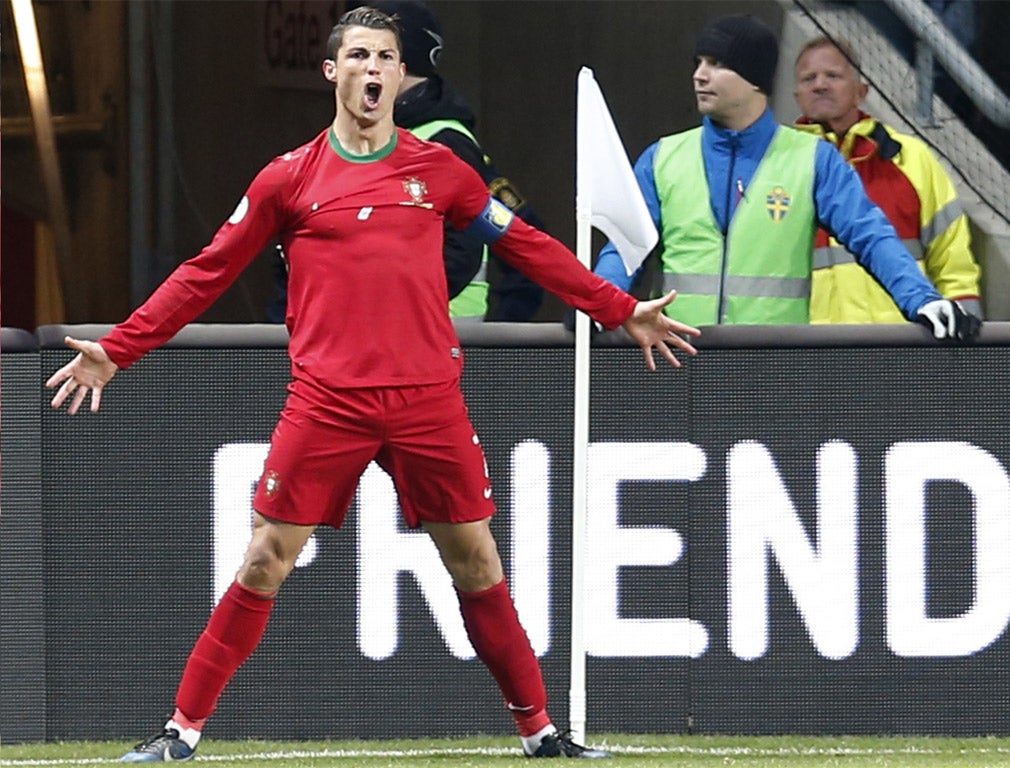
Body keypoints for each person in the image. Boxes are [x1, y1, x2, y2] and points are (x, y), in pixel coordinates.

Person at [45, 6, 700, 762]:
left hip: (427, 401)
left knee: (477, 562)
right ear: (333, 72)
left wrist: (619, 311)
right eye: (358, 55)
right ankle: (179, 733)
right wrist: (119, 350)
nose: (373, 69)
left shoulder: (440, 172)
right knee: (264, 558)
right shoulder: (288, 179)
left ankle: (542, 734)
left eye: (386, 56)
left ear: (399, 74)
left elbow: (523, 245)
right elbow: (206, 271)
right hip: (328, 403)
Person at [592, 14, 980, 342]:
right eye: (698, 63)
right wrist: (599, 304)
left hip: (775, 367)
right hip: (677, 360)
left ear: (754, 79)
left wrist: (922, 299)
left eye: (716, 64)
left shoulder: (813, 160)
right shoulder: (662, 157)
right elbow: (626, 249)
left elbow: (871, 235)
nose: (700, 76)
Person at [268, 0, 544, 323]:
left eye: (377, 52)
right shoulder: (361, 140)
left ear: (399, 62)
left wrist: (507, 347)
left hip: (434, 336)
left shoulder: (445, 143)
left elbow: (519, 242)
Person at [793, 35, 983, 323]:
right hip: (809, 352)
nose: (820, 85)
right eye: (809, 79)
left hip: (902, 344)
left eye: (833, 75)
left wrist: (968, 345)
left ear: (862, 91)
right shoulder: (780, 166)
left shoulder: (912, 159)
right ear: (797, 96)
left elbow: (953, 263)